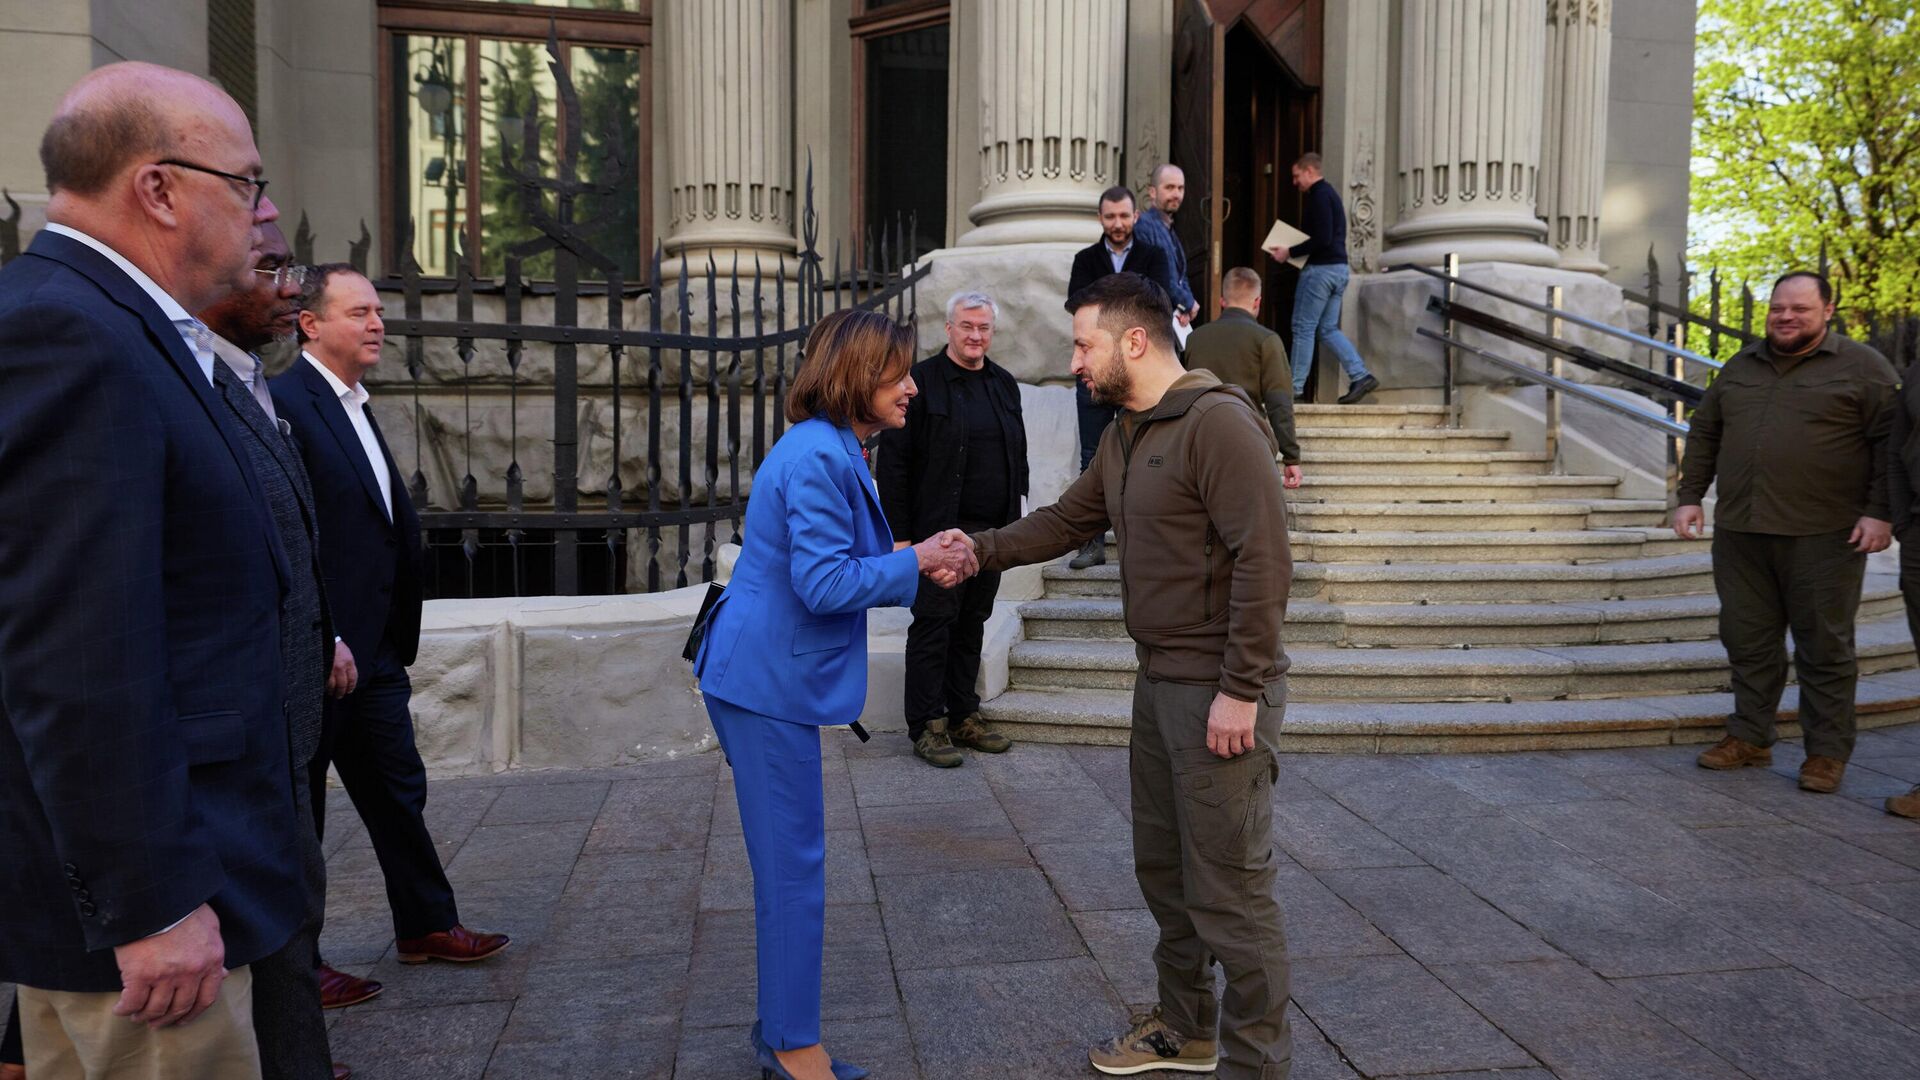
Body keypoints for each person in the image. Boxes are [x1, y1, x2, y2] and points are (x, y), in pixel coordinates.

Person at [0, 62, 303, 1079]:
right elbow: (77, 654)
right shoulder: (69, 332)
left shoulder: (115, 324)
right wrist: (153, 901)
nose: (261, 211)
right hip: (154, 939)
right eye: (248, 182)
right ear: (160, 187)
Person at [945, 272, 1294, 1079]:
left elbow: (1265, 562)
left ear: (1133, 342)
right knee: (1167, 874)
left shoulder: (1220, 426)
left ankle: (1258, 1064)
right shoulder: (1128, 434)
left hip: (1219, 690)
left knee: (1232, 895)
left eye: (1083, 343)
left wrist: (1241, 690)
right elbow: (1071, 519)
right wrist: (981, 547)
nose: (1075, 361)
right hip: (1159, 683)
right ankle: (1186, 1027)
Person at [693, 308, 978, 1080]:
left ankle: (782, 1033)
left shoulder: (832, 446)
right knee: (793, 866)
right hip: (763, 685)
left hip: (762, 675)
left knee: (792, 862)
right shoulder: (820, 455)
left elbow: (842, 557)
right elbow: (824, 585)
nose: (913, 386)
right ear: (857, 374)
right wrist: (918, 559)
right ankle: (791, 1049)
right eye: (898, 372)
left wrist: (918, 555)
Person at [271, 266, 509, 998]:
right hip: (324, 650)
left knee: (398, 790)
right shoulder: (286, 403)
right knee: (300, 813)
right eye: (358, 312)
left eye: (378, 310)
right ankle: (298, 971)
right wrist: (328, 634)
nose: (376, 323)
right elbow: (291, 534)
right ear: (310, 323)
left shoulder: (354, 402)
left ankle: (424, 925)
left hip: (373, 650)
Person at [199, 228, 355, 1080]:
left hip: (283, 721)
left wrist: (325, 631)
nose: (289, 289)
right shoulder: (182, 379)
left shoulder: (252, 381)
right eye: (271, 271)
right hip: (224, 741)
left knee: (293, 921)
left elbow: (294, 544)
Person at [1675, 271, 1898, 794]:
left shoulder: (1865, 368)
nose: (1786, 316)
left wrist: (1880, 512)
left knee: (1825, 647)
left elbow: (1892, 446)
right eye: (1778, 308)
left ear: (1828, 309)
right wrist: (1689, 496)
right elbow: (1706, 430)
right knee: (1748, 641)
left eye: (1799, 308)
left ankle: (1826, 753)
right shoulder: (1741, 365)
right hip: (1742, 531)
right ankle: (1750, 737)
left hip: (1825, 534)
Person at [877, 290, 1028, 767]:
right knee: (934, 624)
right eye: (967, 326)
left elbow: (1016, 456)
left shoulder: (1004, 384)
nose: (976, 335)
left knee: (971, 624)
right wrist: (902, 538)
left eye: (984, 328)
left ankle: (964, 713)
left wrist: (1013, 529)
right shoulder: (920, 382)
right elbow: (895, 463)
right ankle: (927, 724)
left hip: (989, 538)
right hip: (937, 535)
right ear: (949, 329)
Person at [1066, 185, 1180, 569]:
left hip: (1141, 368)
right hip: (1098, 371)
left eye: (1124, 216)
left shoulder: (1154, 254)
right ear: (1101, 218)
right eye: (1110, 216)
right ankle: (1091, 543)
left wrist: (1108, 306)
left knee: (1153, 452)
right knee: (1092, 455)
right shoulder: (1085, 259)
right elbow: (1076, 305)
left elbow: (1161, 302)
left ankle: (1150, 541)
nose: (1118, 223)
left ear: (1135, 216)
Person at [1264, 152, 1377, 404]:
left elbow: (1322, 238)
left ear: (1309, 172)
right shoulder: (1331, 195)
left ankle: (1294, 390)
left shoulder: (1319, 196)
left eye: (1296, 176)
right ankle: (1360, 374)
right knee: (1326, 329)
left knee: (1303, 328)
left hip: (1321, 271)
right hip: (1339, 270)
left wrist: (1288, 252)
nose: (1295, 183)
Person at [1185, 266, 1304, 491]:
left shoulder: (1194, 339)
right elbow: (1279, 403)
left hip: (1198, 440)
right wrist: (1291, 457)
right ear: (1257, 301)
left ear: (1222, 301)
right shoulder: (1267, 340)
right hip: (1247, 439)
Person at [1135, 164, 1199, 327]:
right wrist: (1187, 302)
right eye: (1169, 187)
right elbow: (1157, 276)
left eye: (1180, 188)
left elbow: (1180, 277)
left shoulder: (1170, 229)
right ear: (1152, 192)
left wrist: (1184, 308)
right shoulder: (1143, 225)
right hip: (1150, 320)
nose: (1176, 194)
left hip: (1170, 319)